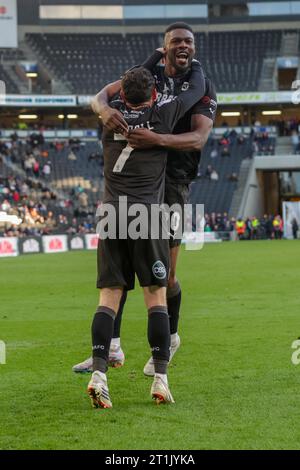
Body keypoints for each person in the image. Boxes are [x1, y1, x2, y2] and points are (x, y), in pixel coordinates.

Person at [73, 22, 216, 376]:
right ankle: (112, 348)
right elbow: (99, 97)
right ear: (164, 48)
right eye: (176, 41)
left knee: (163, 275)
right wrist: (105, 111)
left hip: (174, 180)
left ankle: (170, 337)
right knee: (116, 273)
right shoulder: (147, 74)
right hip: (141, 181)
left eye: (189, 42)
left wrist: (155, 139)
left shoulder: (201, 83)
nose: (184, 46)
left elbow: (198, 140)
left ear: (193, 48)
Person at [87, 62, 206, 408]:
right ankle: (160, 379)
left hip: (111, 214)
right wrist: (188, 62)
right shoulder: (162, 114)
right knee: (156, 296)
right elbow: (195, 90)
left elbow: (102, 96)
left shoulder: (109, 119)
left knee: (108, 297)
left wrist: (107, 103)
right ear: (153, 94)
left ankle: (98, 374)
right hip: (147, 216)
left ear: (122, 95)